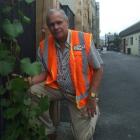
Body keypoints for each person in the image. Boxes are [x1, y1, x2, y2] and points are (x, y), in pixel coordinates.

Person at [28, 8, 103, 140]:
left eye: (59, 22)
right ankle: (48, 130)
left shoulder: (83, 39)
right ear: (48, 27)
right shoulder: (43, 47)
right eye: (52, 24)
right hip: (58, 87)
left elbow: (99, 69)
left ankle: (94, 111)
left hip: (80, 94)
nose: (55, 27)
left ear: (67, 22)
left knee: (82, 137)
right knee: (34, 91)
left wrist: (92, 97)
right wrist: (30, 81)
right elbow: (45, 73)